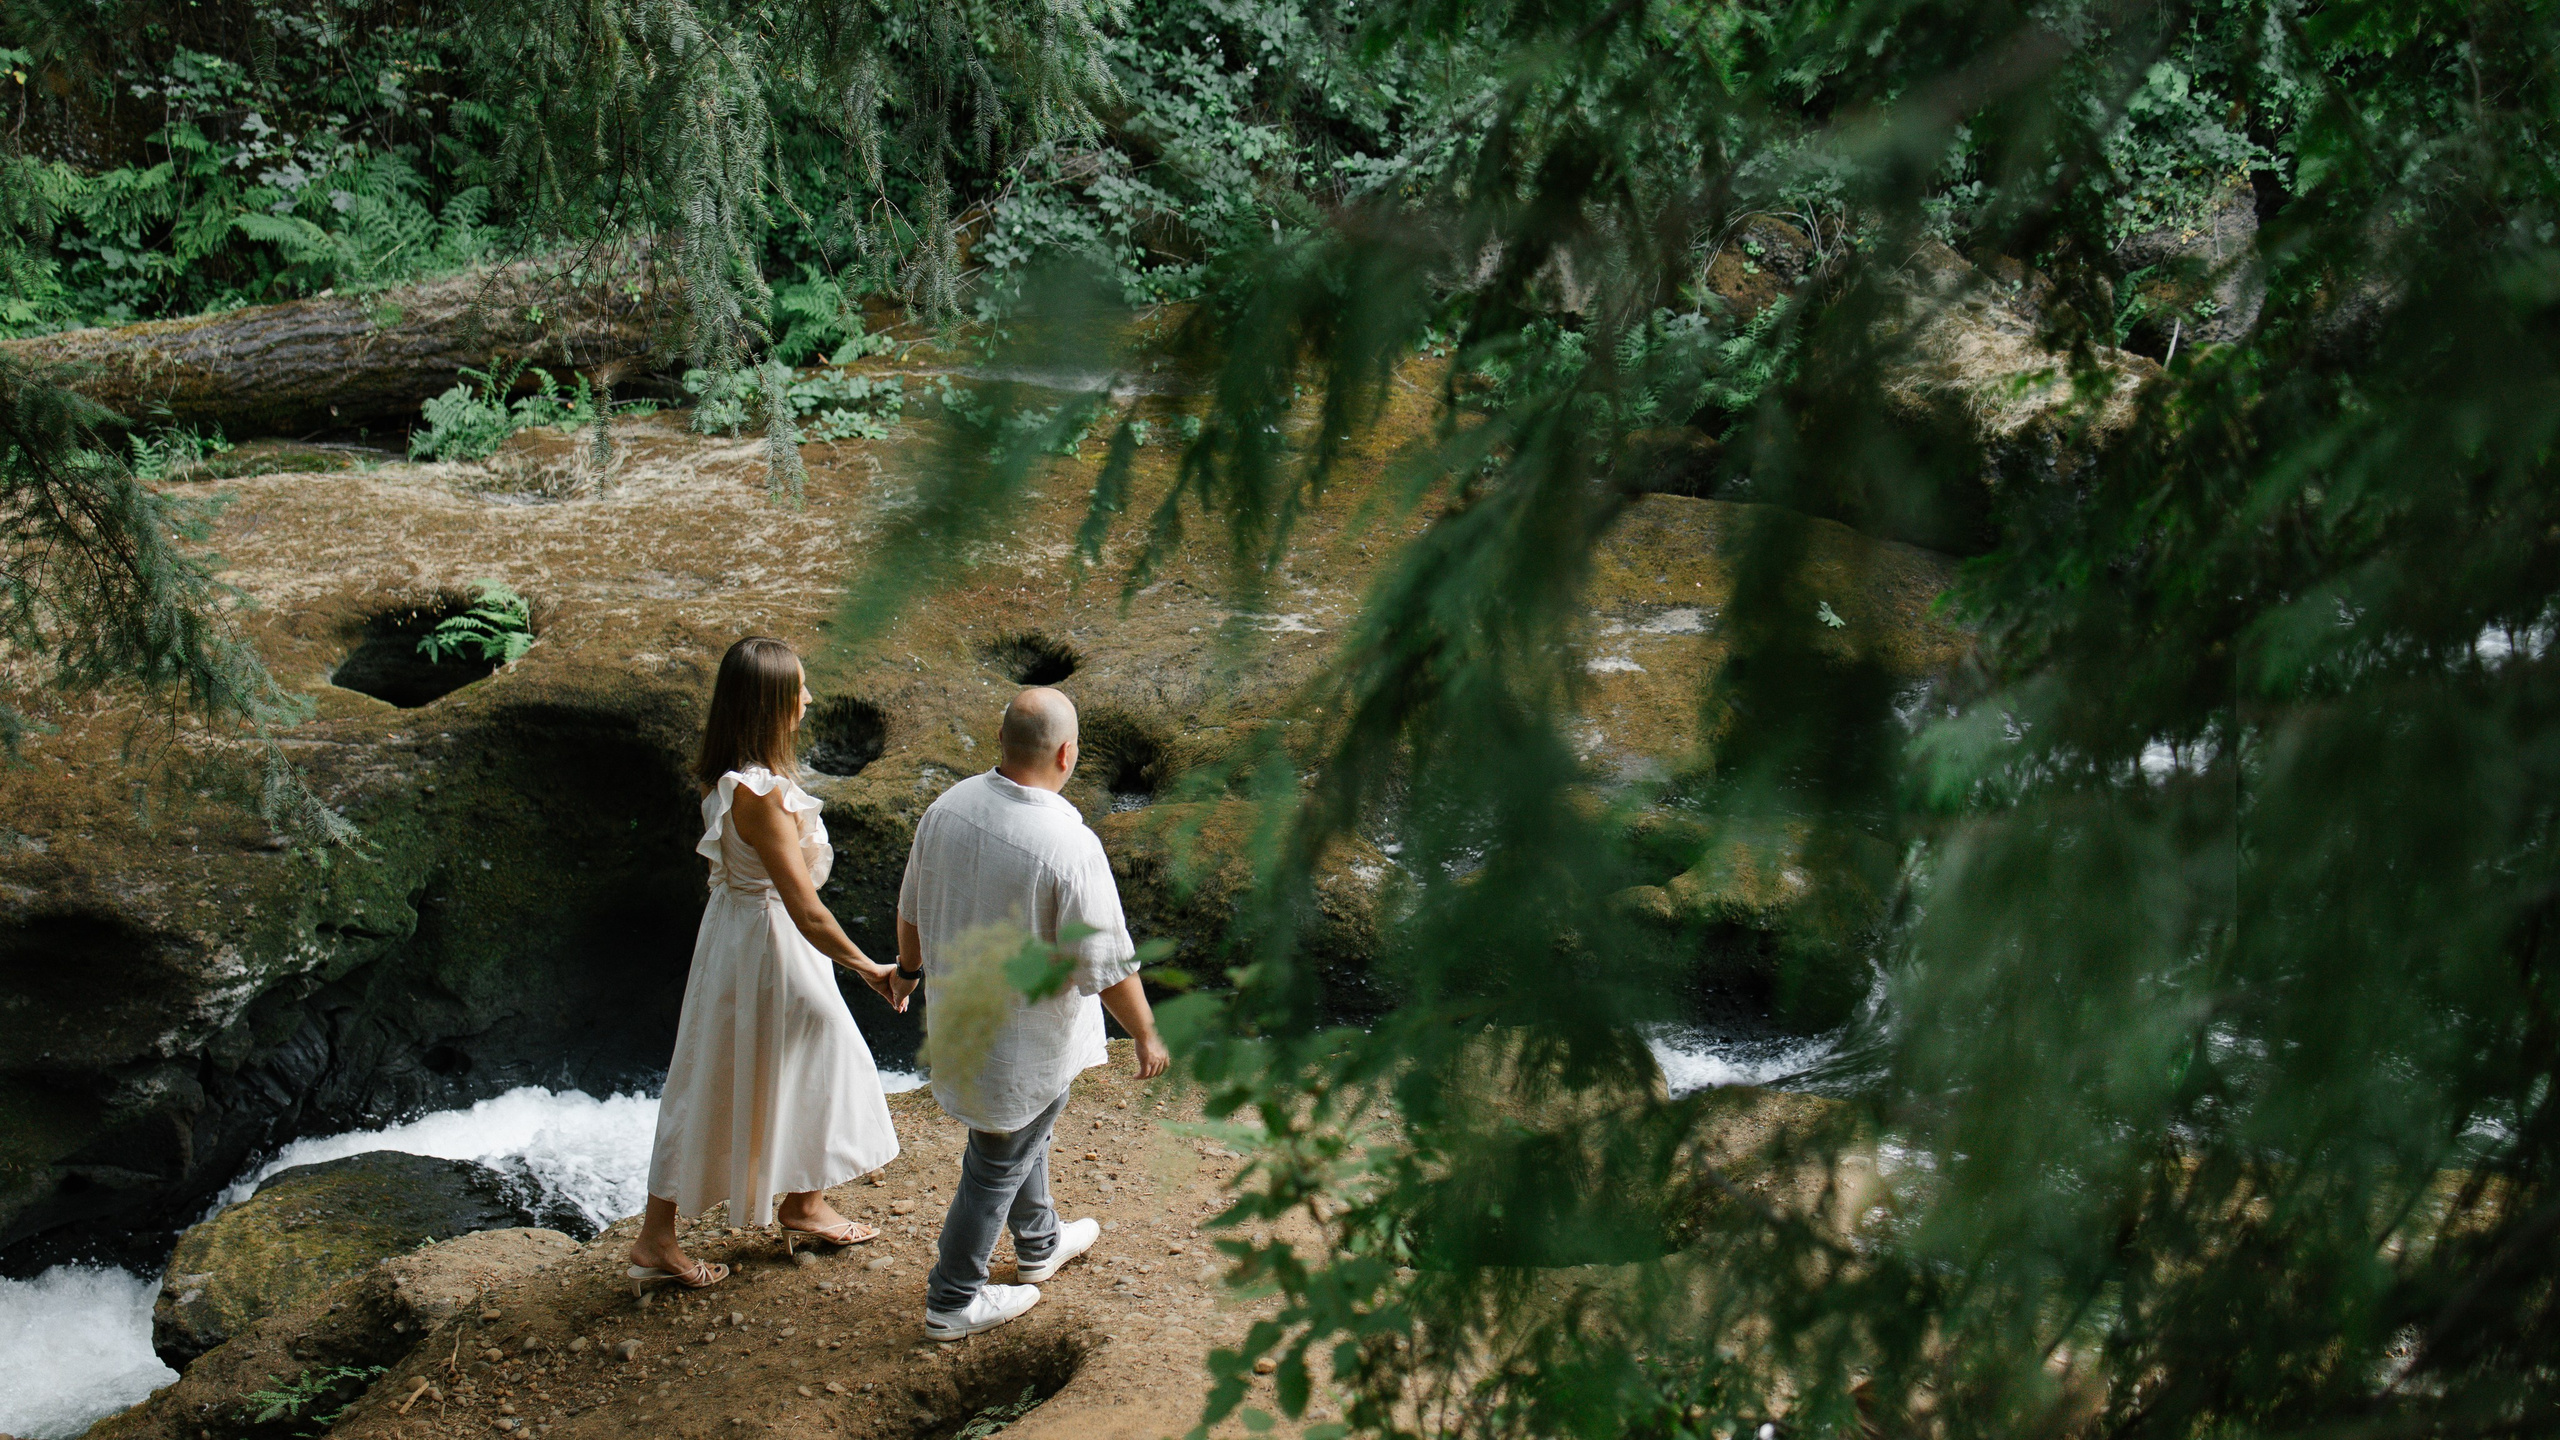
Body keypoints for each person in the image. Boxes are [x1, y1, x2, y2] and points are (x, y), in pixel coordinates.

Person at [888, 685, 1172, 1340]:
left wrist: (906, 973)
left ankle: (1040, 1244)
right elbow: (1107, 964)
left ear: (1000, 741)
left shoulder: (947, 809)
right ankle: (952, 1299)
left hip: (961, 1021)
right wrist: (1146, 1032)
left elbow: (912, 911)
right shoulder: (1067, 844)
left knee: (1023, 1133)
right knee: (998, 1157)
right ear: (1068, 753)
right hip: (1024, 1044)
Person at [626, 636, 905, 1294]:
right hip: (769, 941)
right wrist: (871, 969)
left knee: (717, 1067)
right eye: (798, 689)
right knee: (818, 1048)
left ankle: (789, 1206)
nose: (808, 699)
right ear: (771, 703)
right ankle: (678, 1234)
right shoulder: (762, 796)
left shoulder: (725, 775)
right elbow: (806, 910)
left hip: (732, 933)